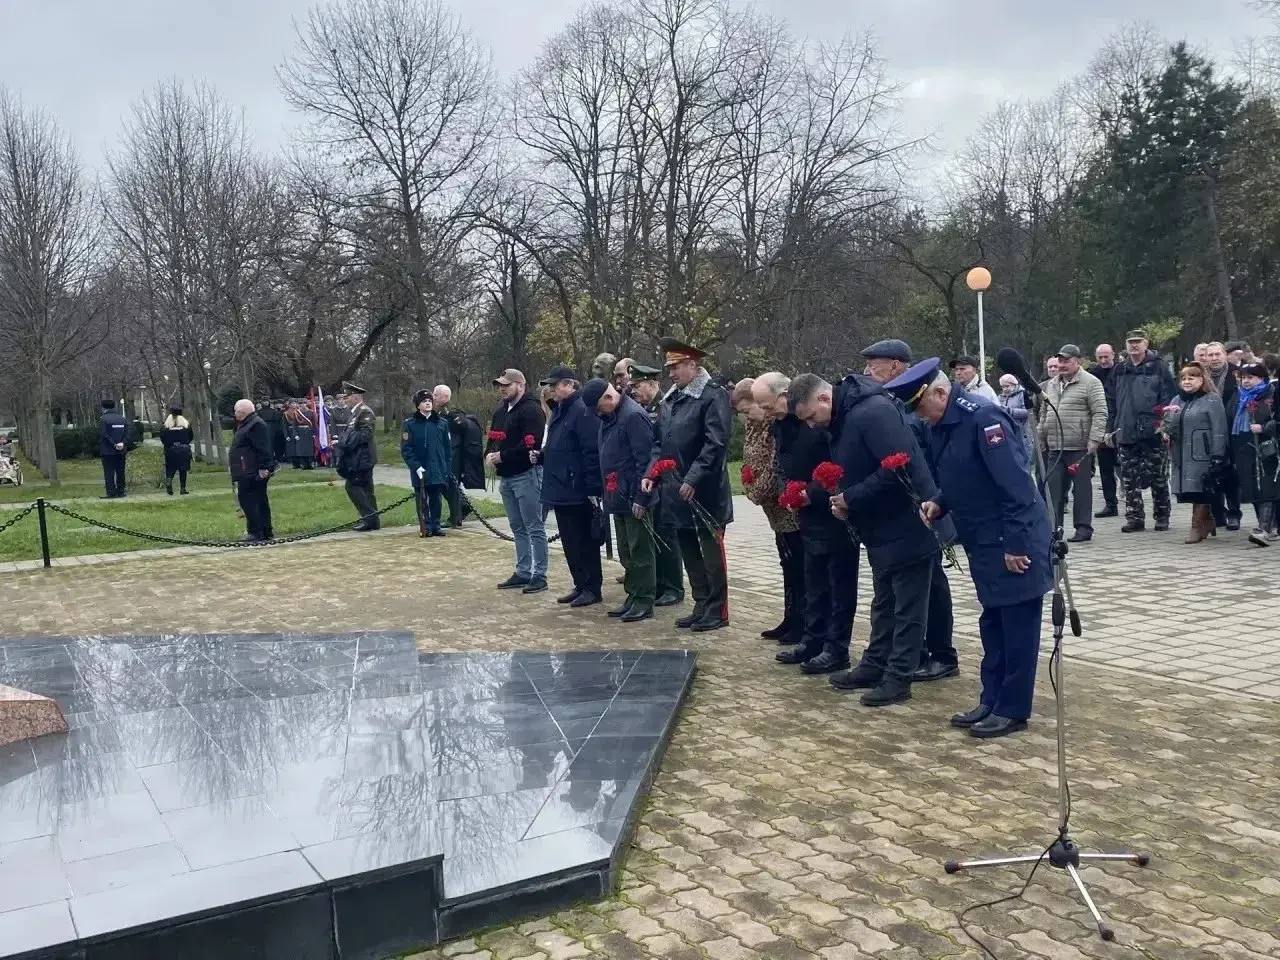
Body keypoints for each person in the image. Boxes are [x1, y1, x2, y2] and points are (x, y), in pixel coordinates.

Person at [884, 360, 1053, 738]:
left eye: (920, 406)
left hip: (1012, 542)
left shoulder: (985, 420)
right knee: (993, 625)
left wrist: (1016, 545)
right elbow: (965, 474)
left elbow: (1016, 488)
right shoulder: (945, 425)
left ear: (940, 393)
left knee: (1017, 629)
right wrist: (940, 502)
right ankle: (991, 699)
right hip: (984, 540)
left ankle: (1012, 709)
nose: (919, 416)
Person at [792, 373, 939, 706]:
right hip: (878, 526)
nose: (812, 426)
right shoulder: (844, 417)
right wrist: (844, 502)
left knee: (908, 607)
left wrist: (851, 498)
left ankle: (898, 677)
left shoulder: (872, 412)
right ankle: (874, 665)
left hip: (907, 521)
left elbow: (898, 467)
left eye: (811, 417)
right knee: (884, 602)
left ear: (824, 399)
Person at [859, 339, 960, 683]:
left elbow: (928, 461)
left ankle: (943, 654)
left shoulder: (913, 407)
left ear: (898, 366)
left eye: (875, 365)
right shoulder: (892, 404)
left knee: (933, 586)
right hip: (908, 514)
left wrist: (935, 504)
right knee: (920, 588)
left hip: (926, 508)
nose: (868, 372)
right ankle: (920, 652)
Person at [641, 339, 733, 632]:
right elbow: (659, 443)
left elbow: (715, 443)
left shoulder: (711, 396)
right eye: (669, 367)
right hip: (673, 490)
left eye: (677, 366)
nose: (672, 373)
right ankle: (701, 603)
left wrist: (693, 477)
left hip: (704, 492)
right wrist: (651, 473)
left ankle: (717, 610)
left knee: (709, 552)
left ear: (694, 365)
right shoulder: (670, 400)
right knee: (689, 552)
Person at [738, 376, 803, 646]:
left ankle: (801, 622)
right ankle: (791, 618)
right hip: (772, 508)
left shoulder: (775, 425)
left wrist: (756, 492)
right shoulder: (756, 427)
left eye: (747, 410)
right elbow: (750, 459)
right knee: (787, 564)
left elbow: (773, 463)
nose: (746, 417)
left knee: (798, 566)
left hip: (786, 506)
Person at [586, 378, 657, 621]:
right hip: (617, 495)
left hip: (634, 496)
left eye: (597, 407)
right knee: (627, 551)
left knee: (640, 550)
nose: (597, 413)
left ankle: (644, 599)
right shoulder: (610, 417)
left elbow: (645, 459)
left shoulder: (632, 416)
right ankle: (633, 595)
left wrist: (642, 496)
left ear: (608, 398)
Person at [537, 365, 604, 607]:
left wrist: (592, 489)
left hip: (578, 489)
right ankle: (580, 584)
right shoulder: (560, 410)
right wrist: (543, 455)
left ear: (569, 385)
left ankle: (592, 587)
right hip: (561, 487)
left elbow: (590, 450)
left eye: (555, 385)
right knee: (570, 541)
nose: (552, 390)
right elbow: (559, 443)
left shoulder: (582, 410)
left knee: (584, 541)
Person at [1039, 344, 1108, 543]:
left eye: (1067, 361)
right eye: (1060, 361)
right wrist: (1041, 435)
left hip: (1079, 446)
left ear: (1078, 361)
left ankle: (1083, 528)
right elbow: (1045, 412)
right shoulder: (1051, 384)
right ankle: (1054, 528)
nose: (1062, 365)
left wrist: (1095, 438)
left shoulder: (1091, 383)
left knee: (1082, 490)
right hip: (1054, 446)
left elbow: (1100, 412)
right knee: (1053, 491)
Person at [488, 368, 549, 593]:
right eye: (500, 385)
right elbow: (494, 437)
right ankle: (523, 570)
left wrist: (502, 455)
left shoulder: (532, 410)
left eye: (507, 384)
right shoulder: (501, 412)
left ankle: (540, 574)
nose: (502, 388)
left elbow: (530, 444)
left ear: (520, 385)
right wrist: (490, 453)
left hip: (527, 474)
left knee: (534, 526)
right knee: (517, 526)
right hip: (507, 476)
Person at [1113, 330, 1176, 533]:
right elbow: (1112, 400)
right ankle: (1135, 517)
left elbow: (1169, 399)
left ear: (1146, 343)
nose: (1134, 346)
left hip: (1153, 431)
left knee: (1158, 476)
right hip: (1126, 429)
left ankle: (1162, 515)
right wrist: (1112, 427)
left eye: (1138, 342)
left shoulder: (1159, 367)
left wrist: (1164, 425)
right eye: (1130, 342)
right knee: (1129, 479)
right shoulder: (1120, 369)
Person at [631, 363, 684, 606]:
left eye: (638, 385)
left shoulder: (664, 406)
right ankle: (661, 584)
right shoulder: (644, 408)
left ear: (652, 384)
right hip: (653, 480)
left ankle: (673, 587)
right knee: (657, 535)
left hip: (668, 482)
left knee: (667, 533)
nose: (633, 390)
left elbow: (664, 445)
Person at [1162, 363, 1227, 543]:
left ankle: (1196, 526)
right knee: (1189, 491)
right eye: (1184, 378)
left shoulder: (1211, 399)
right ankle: (1207, 521)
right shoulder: (1176, 400)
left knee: (1201, 489)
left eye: (1192, 377)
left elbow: (1219, 428)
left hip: (1202, 454)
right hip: (1181, 454)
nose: (1187, 381)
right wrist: (1166, 432)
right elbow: (1168, 424)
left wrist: (1218, 454)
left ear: (1201, 380)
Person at [1229, 362, 1279, 546]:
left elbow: (1276, 420)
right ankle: (1265, 525)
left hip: (1266, 447)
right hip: (1243, 445)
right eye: (1243, 378)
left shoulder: (1271, 395)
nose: (1246, 381)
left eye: (1251, 377)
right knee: (1251, 487)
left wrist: (1265, 427)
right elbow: (1229, 418)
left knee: (1266, 485)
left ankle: (1266, 528)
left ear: (1262, 378)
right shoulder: (1238, 397)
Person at [401, 389, 453, 537]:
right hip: (420, 468)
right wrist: (416, 466)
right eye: (424, 401)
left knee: (436, 498)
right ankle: (426, 526)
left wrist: (447, 468)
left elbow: (447, 449)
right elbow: (406, 450)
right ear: (418, 405)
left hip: (437, 467)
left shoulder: (441, 423)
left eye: (430, 400)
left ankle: (436, 525)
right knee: (422, 499)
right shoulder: (410, 424)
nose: (428, 403)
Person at [1204, 342, 1242, 530]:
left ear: (1224, 355)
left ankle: (1234, 512)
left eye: (1217, 354)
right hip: (1208, 430)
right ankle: (1218, 513)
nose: (1214, 358)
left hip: (1232, 428)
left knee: (1231, 474)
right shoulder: (1201, 375)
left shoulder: (1237, 373)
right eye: (1210, 355)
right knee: (1212, 473)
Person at [434, 385, 484, 528]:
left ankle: (456, 517)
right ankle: (462, 506)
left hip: (454, 453)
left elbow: (459, 427)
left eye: (436, 394)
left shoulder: (450, 411)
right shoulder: (440, 411)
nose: (433, 396)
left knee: (450, 484)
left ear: (444, 397)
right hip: (446, 453)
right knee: (447, 484)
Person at [229, 398, 276, 543]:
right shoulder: (247, 424)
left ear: (242, 411)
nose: (235, 414)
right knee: (257, 500)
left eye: (236, 411)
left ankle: (256, 531)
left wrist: (265, 467)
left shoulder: (256, 425)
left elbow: (263, 448)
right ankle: (264, 530)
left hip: (251, 470)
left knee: (250, 500)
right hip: (246, 469)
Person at [336, 383, 380, 531]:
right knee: (366, 489)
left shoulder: (364, 412)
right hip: (358, 457)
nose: (345, 399)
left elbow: (364, 435)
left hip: (363, 458)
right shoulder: (355, 412)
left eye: (347, 397)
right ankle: (373, 521)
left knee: (353, 487)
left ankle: (369, 518)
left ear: (355, 397)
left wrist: (344, 442)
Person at [1088, 344, 1120, 518]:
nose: (1103, 360)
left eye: (1106, 356)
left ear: (1113, 354)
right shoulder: (1093, 375)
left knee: (1125, 468)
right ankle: (1110, 504)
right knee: (1106, 469)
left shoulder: (1121, 372)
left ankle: (1132, 504)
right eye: (1100, 357)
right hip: (1101, 425)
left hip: (1120, 423)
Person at [159, 404, 193, 496]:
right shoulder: (186, 425)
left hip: (170, 450)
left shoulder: (166, 426)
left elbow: (162, 437)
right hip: (183, 450)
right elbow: (190, 437)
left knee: (170, 468)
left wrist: (168, 445)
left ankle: (169, 482)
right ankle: (183, 488)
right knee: (183, 469)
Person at [98, 399, 128, 499]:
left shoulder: (103, 419)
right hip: (121, 451)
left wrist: (114, 444)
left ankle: (111, 492)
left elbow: (104, 434)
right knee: (120, 472)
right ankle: (121, 491)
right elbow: (127, 433)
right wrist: (122, 443)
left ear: (103, 408)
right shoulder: (122, 419)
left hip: (107, 451)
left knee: (109, 472)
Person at [283, 400, 314, 469]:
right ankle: (302, 464)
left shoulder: (311, 412)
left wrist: (314, 433)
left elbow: (314, 423)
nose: (303, 405)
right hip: (299, 431)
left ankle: (310, 464)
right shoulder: (296, 413)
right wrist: (294, 434)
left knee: (309, 449)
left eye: (304, 403)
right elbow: (294, 425)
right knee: (300, 449)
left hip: (308, 431)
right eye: (301, 403)